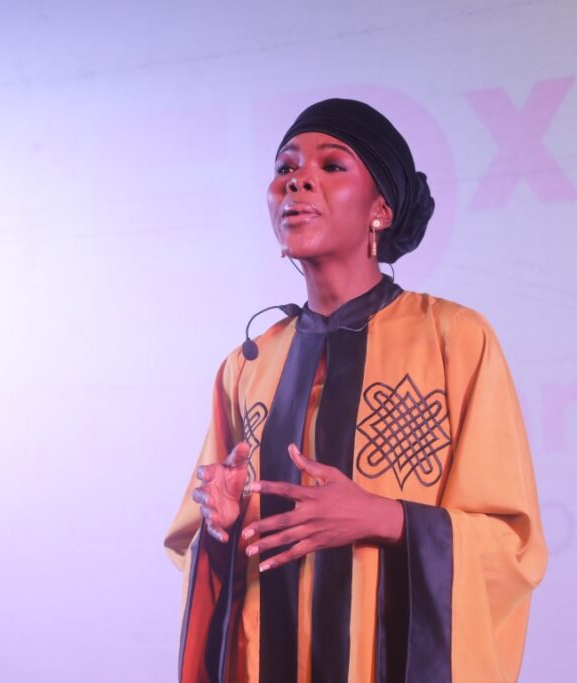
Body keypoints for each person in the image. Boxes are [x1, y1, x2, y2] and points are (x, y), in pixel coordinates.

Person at [164, 98, 547, 683]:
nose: (297, 180)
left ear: (381, 210)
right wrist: (222, 527)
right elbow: (194, 546)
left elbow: (510, 546)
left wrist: (384, 518)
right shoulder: (246, 366)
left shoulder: (454, 339)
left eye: (332, 165)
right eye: (285, 166)